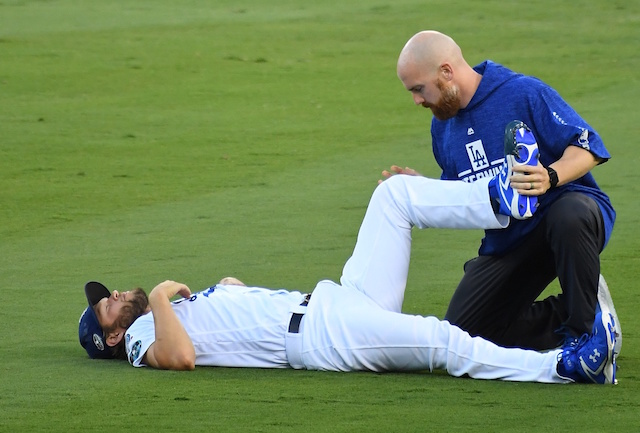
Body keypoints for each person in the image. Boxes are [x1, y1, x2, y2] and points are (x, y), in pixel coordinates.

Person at [78, 150, 618, 384]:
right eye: (107, 305)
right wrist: (158, 299)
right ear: (111, 338)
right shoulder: (140, 335)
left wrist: (228, 291)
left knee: (394, 197)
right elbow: (180, 358)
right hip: (323, 337)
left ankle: (502, 201)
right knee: (442, 341)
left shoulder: (160, 316)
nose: (117, 295)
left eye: (111, 294)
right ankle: (563, 369)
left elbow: (223, 324)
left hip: (335, 301)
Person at [389, 30, 620, 354]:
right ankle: (587, 313)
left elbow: (588, 147)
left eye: (418, 89)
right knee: (464, 337)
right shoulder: (442, 126)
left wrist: (549, 176)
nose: (416, 100)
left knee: (568, 215)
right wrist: (421, 187)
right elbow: (468, 194)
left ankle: (584, 340)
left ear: (446, 72)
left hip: (567, 216)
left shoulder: (522, 92)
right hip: (509, 239)